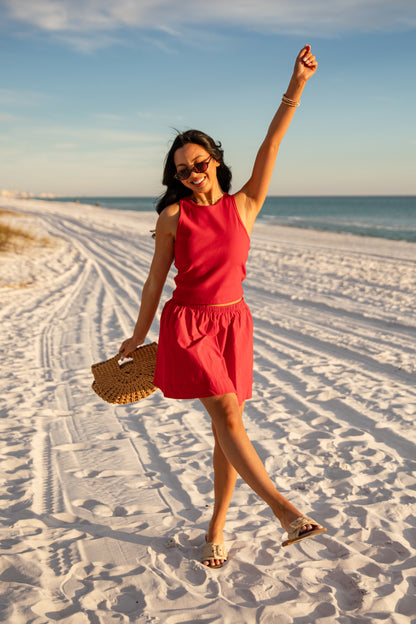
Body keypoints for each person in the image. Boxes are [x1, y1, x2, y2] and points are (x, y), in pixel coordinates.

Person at [119, 45, 326, 568]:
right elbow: (153, 283)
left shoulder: (245, 205)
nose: (192, 173)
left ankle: (216, 526)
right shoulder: (173, 217)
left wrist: (296, 84)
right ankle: (284, 511)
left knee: (226, 431)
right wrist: (139, 335)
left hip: (234, 322)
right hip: (188, 325)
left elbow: (272, 143)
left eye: (199, 164)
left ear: (215, 161)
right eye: (182, 170)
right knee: (230, 416)